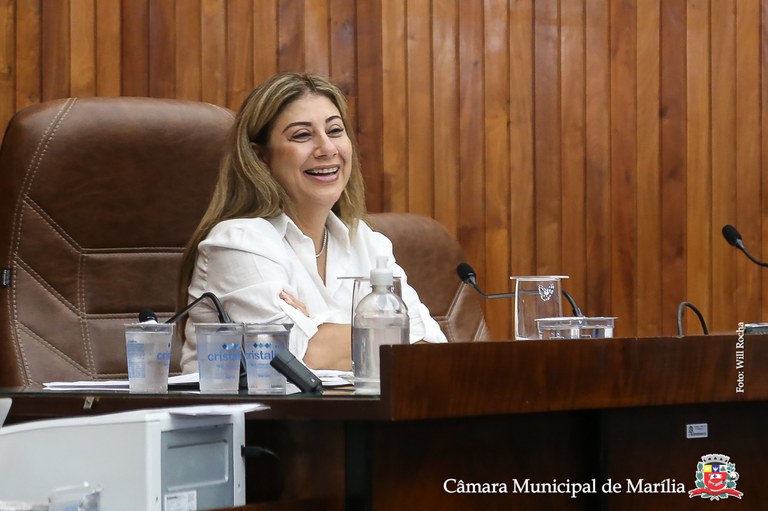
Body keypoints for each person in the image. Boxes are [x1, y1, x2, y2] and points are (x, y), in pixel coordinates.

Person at [176, 72, 447, 374]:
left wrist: (316, 327)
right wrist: (329, 338)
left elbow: (434, 352)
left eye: (335, 130)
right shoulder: (238, 242)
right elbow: (297, 356)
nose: (327, 149)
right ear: (259, 156)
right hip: (246, 408)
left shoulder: (368, 242)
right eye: (302, 135)